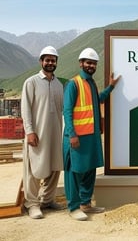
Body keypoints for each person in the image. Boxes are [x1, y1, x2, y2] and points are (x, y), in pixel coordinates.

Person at [63, 48, 121, 221]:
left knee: (89, 170)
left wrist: (111, 87)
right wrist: (72, 134)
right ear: (81, 63)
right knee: (74, 172)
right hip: (77, 138)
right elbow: (67, 110)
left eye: (94, 63)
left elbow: (98, 100)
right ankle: (73, 207)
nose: (91, 66)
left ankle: (85, 203)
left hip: (91, 136)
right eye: (88, 62)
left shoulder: (91, 83)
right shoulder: (73, 84)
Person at [21, 46, 64, 219]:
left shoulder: (59, 84)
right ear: (41, 61)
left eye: (53, 60)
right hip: (37, 134)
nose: (50, 63)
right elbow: (25, 109)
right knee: (33, 168)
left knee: (55, 167)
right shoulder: (31, 82)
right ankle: (32, 204)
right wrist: (29, 131)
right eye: (47, 60)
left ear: (56, 63)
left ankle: (47, 200)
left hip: (55, 133)